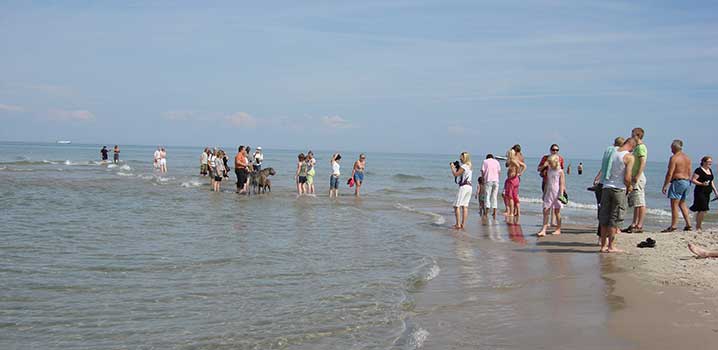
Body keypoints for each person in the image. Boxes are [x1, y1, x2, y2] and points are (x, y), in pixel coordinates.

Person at [598, 137, 636, 253]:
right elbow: (627, 177)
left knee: (604, 216)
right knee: (615, 217)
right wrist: (629, 186)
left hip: (606, 186)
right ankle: (611, 246)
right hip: (618, 189)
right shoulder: (629, 157)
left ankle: (603, 245)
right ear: (632, 146)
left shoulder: (611, 153)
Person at [661, 139, 693, 232]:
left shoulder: (674, 158)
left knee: (674, 204)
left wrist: (665, 185)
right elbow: (689, 171)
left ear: (674, 147)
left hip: (678, 181)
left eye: (671, 147)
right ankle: (688, 224)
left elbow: (670, 173)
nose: (670, 149)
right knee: (682, 203)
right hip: (686, 181)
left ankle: (674, 225)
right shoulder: (687, 158)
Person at [623, 127, 648, 233]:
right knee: (636, 202)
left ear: (637, 135)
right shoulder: (637, 147)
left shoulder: (641, 147)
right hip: (634, 176)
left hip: (638, 177)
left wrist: (637, 175)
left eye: (633, 134)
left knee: (640, 201)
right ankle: (634, 223)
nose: (631, 136)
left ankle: (639, 225)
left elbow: (643, 162)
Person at [537, 155, 566, 237]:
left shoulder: (560, 171)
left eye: (550, 162)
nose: (549, 163)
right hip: (549, 192)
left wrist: (561, 194)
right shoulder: (549, 170)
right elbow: (547, 182)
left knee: (557, 212)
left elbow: (562, 184)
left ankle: (558, 228)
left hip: (557, 193)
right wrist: (544, 193)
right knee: (546, 210)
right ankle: (544, 229)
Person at [538, 144, 564, 225]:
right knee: (547, 203)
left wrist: (563, 188)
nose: (555, 151)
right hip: (546, 182)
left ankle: (553, 222)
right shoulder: (545, 158)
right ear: (550, 150)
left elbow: (561, 172)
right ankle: (546, 222)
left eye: (557, 150)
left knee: (556, 204)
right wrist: (544, 165)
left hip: (556, 185)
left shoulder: (560, 159)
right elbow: (538, 169)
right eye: (553, 149)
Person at [689, 156, 717, 232]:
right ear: (704, 162)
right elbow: (693, 180)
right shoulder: (699, 170)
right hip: (700, 192)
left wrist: (716, 192)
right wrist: (701, 184)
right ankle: (698, 227)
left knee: (701, 210)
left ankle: (698, 226)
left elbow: (711, 182)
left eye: (711, 162)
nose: (710, 163)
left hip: (707, 193)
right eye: (709, 161)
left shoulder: (709, 170)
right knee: (703, 209)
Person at [450, 152, 473, 230]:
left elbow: (456, 174)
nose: (460, 159)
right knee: (465, 206)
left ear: (464, 158)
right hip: (469, 187)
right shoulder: (469, 166)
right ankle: (463, 224)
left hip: (464, 187)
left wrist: (452, 167)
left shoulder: (464, 166)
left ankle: (458, 224)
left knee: (456, 206)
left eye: (461, 157)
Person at [504, 149, 526, 217]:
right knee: (515, 196)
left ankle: (511, 212)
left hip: (512, 180)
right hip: (515, 180)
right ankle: (518, 213)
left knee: (510, 197)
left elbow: (518, 166)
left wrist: (517, 173)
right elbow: (524, 166)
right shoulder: (516, 160)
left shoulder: (512, 160)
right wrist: (520, 173)